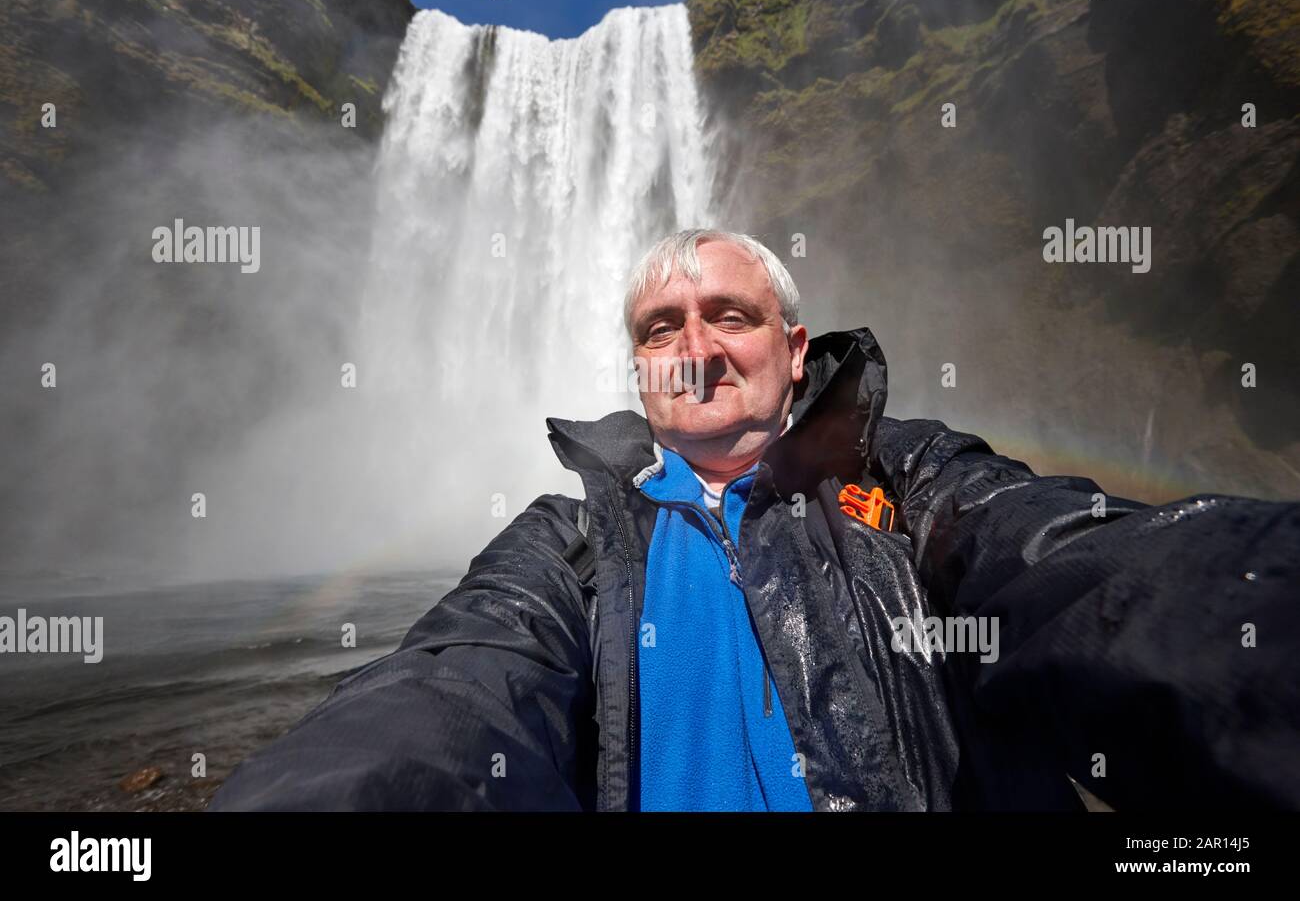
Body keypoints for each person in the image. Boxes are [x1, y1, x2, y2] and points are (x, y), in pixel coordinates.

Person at [210, 229, 1300, 811]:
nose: (694, 342)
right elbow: (452, 685)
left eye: (729, 314)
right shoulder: (567, 541)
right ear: (639, 370)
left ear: (793, 346)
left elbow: (1071, 563)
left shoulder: (906, 482)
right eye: (659, 326)